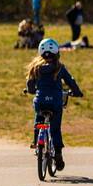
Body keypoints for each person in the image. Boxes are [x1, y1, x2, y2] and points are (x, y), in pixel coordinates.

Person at [24, 38, 83, 172]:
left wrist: (32, 91)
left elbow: (30, 85)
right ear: (57, 52)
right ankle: (57, 153)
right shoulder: (59, 67)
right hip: (56, 101)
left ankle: (36, 141)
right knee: (55, 128)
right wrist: (77, 92)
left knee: (39, 119)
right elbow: (70, 81)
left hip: (40, 102)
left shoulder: (35, 67)